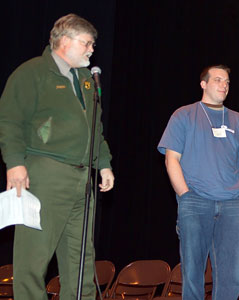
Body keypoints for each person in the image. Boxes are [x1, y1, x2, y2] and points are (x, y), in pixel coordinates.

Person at [0, 13, 115, 300]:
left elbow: (95, 129)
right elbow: (11, 120)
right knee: (34, 255)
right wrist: (15, 163)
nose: (91, 50)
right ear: (65, 41)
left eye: (93, 44)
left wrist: (103, 164)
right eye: (87, 43)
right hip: (45, 173)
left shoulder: (88, 80)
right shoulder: (33, 72)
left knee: (81, 258)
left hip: (82, 180)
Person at [158, 64, 239, 300]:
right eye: (218, 80)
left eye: (227, 82)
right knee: (193, 271)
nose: (224, 85)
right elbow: (171, 158)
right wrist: (185, 194)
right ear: (203, 84)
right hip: (194, 201)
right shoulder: (183, 114)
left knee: (231, 276)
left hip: (232, 204)